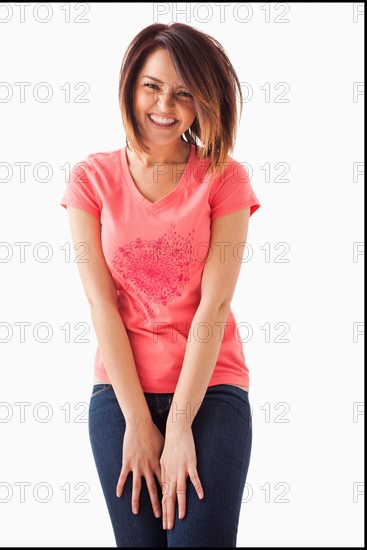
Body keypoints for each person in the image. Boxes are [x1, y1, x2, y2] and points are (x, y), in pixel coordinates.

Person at [60, 22, 260, 548]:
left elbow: (213, 307)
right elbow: (100, 302)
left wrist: (178, 428)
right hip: (120, 395)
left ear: (203, 102)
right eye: (152, 85)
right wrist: (138, 421)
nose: (164, 105)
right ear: (129, 86)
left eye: (184, 92)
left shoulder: (225, 178)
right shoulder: (90, 180)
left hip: (212, 392)